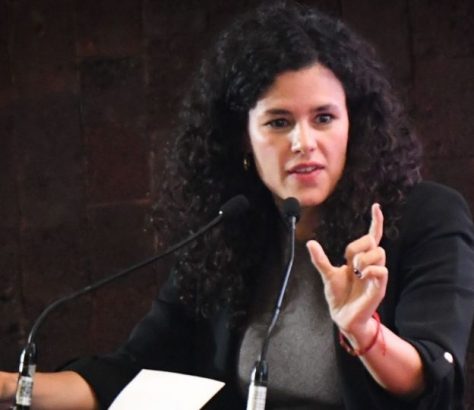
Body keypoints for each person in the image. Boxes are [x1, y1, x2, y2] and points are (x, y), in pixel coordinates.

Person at [1, 1, 474, 409]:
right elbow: (132, 372)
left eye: (324, 118)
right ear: (244, 138)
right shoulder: (229, 230)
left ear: (355, 124)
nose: (304, 142)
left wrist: (364, 333)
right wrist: (10, 388)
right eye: (279, 122)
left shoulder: (425, 217)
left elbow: (435, 380)